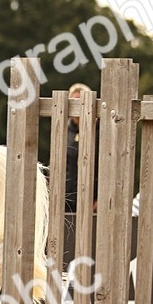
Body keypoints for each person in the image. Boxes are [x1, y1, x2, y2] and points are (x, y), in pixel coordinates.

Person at [64, 83, 98, 213]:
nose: (76, 105)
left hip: (91, 200)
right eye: (73, 101)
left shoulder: (99, 130)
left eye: (80, 101)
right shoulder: (63, 130)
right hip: (66, 199)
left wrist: (100, 197)